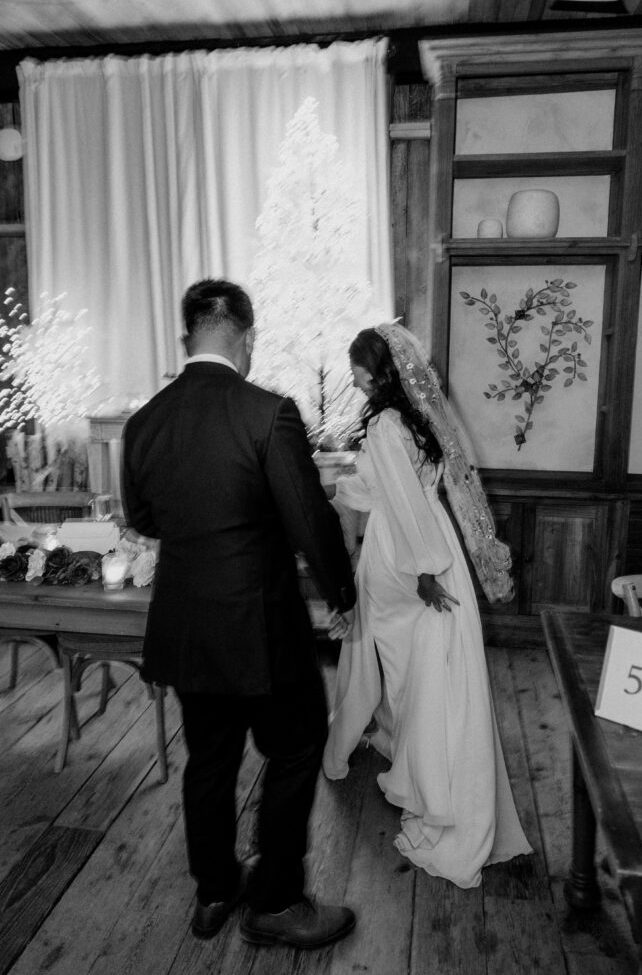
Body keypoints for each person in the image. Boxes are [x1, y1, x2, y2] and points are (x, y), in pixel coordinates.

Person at [122, 278, 357, 948]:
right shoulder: (268, 413)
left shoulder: (145, 422)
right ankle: (276, 900)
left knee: (209, 760)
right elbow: (310, 522)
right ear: (247, 339)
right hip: (263, 629)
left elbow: (142, 519)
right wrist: (342, 596)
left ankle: (216, 889)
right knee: (297, 745)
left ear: (186, 337)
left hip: (188, 627)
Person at [322, 322, 532, 888]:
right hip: (434, 545)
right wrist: (340, 489)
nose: (355, 379)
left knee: (406, 666)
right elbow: (399, 491)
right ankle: (415, 754)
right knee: (426, 668)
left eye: (358, 370)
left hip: (405, 554)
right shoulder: (420, 421)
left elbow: (404, 507)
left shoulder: (388, 426)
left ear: (378, 370)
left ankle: (426, 777)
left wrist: (422, 573)